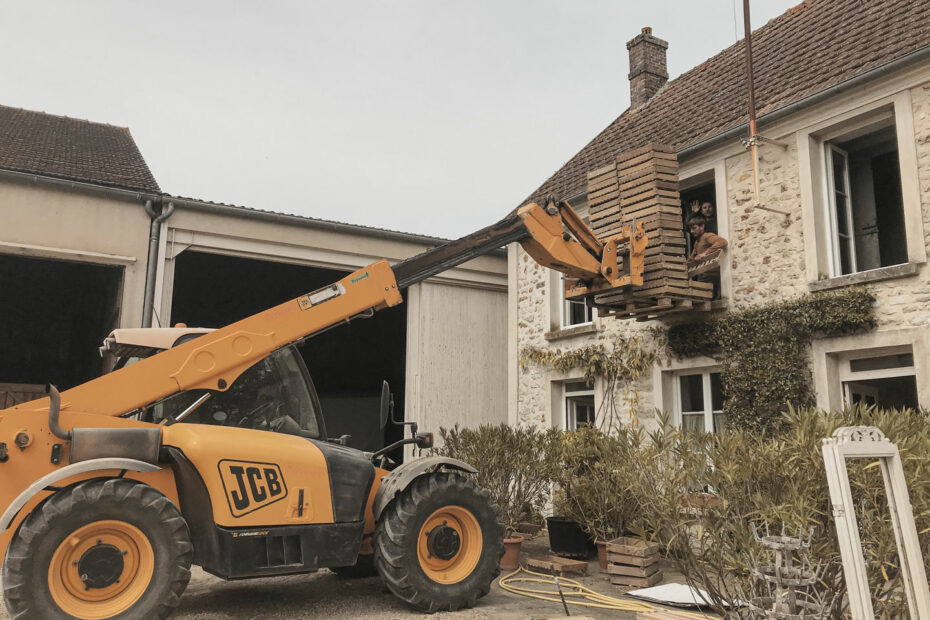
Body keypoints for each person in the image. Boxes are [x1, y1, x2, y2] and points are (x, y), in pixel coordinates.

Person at [686, 214, 727, 299]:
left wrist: (705, 253)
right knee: (699, 298)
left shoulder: (707, 236)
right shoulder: (697, 242)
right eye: (691, 229)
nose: (692, 231)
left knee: (705, 299)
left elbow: (722, 242)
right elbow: (691, 258)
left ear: (702, 227)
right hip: (703, 275)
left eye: (694, 228)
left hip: (711, 275)